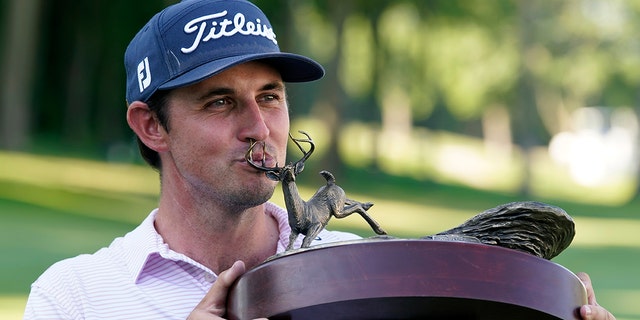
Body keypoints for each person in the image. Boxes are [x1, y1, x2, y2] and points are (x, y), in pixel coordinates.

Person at [23, 0, 615, 319]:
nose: (259, 128)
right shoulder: (74, 297)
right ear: (151, 125)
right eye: (220, 102)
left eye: (271, 97)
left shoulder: (372, 278)